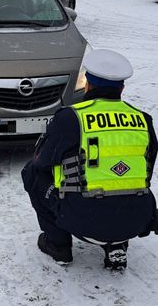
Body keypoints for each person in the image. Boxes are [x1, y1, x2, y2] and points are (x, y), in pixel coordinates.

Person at [22, 49, 157, 270]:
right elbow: (147, 170)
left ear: (87, 85)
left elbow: (42, 162)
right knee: (126, 180)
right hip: (137, 218)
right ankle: (117, 246)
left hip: (83, 218)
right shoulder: (143, 119)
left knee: (32, 173)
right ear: (122, 88)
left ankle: (59, 246)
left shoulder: (70, 118)